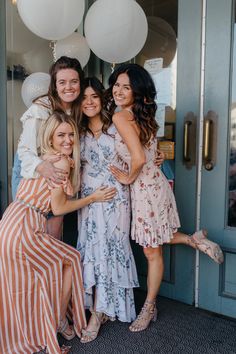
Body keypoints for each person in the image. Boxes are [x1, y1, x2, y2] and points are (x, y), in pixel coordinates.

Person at [107, 63, 224, 332]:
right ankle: (194, 240)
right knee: (155, 239)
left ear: (137, 92)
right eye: (117, 85)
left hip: (146, 189)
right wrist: (152, 159)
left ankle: (149, 307)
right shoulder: (142, 115)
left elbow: (137, 158)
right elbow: (151, 153)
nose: (119, 91)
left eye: (127, 87)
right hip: (155, 185)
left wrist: (126, 178)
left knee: (151, 250)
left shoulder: (121, 117)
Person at [0, 112, 117, 354]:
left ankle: (33, 331)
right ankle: (59, 321)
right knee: (71, 258)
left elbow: (64, 190)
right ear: (50, 137)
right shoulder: (60, 162)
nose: (67, 140)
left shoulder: (45, 158)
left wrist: (69, 170)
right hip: (26, 225)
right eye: (60, 135)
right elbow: (59, 207)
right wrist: (93, 197)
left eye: (71, 134)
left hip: (10, 222)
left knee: (23, 282)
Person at [76, 77, 139, 343]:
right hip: (89, 199)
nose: (89, 102)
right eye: (84, 98)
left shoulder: (117, 125)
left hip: (115, 197)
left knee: (112, 250)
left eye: (94, 96)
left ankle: (102, 310)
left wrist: (157, 155)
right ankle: (97, 309)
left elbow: (142, 149)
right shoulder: (76, 131)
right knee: (93, 251)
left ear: (102, 99)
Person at [11, 55, 84, 239]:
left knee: (54, 233)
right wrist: (43, 166)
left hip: (58, 169)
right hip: (33, 170)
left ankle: (52, 268)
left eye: (74, 81)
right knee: (32, 233)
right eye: (62, 82)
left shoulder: (78, 109)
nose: (68, 87)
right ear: (54, 85)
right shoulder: (40, 109)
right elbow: (25, 151)